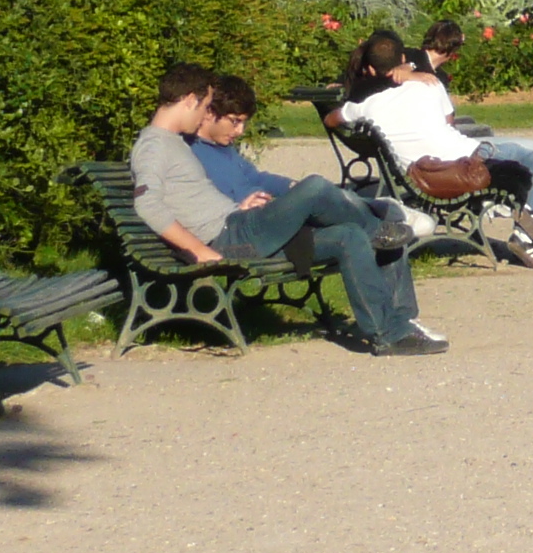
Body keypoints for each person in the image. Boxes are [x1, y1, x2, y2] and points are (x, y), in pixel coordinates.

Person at [129, 62, 441, 355]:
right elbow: (147, 204)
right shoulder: (155, 145)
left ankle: (392, 331)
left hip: (240, 223)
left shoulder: (173, 142)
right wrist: (198, 250)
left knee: (349, 236)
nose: (202, 118)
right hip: (230, 235)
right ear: (188, 100)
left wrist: (243, 204)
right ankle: (378, 229)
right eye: (203, 106)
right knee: (316, 188)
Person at [338, 47, 533, 268]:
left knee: (514, 155)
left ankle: (525, 215)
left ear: (368, 69)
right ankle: (525, 233)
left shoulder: (366, 106)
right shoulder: (428, 85)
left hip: (419, 175)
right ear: (403, 61)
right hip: (465, 166)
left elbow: (333, 118)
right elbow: (449, 123)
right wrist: (414, 77)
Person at [194, 75, 433, 244]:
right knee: (316, 187)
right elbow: (203, 205)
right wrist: (239, 207)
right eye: (235, 121)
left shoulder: (223, 148)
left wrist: (290, 186)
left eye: (243, 122)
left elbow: (256, 177)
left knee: (313, 191)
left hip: (267, 213)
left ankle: (381, 213)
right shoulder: (190, 154)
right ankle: (380, 216)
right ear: (210, 113)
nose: (240, 131)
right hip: (250, 228)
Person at [415, 21, 533, 240]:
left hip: (442, 145)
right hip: (446, 151)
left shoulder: (425, 72)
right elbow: (447, 123)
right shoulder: (421, 73)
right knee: (532, 151)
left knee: (529, 148)